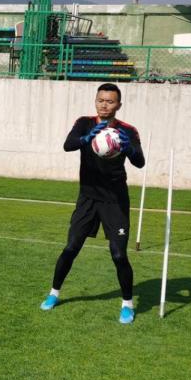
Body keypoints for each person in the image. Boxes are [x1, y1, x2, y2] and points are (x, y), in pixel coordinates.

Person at [40, 83, 146, 323]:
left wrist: (128, 149)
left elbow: (140, 162)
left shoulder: (128, 130)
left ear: (119, 104)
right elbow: (68, 145)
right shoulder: (84, 123)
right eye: (100, 100)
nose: (104, 104)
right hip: (87, 197)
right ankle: (53, 293)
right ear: (95, 101)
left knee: (119, 254)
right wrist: (86, 138)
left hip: (115, 200)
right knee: (71, 248)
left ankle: (127, 304)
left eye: (110, 101)